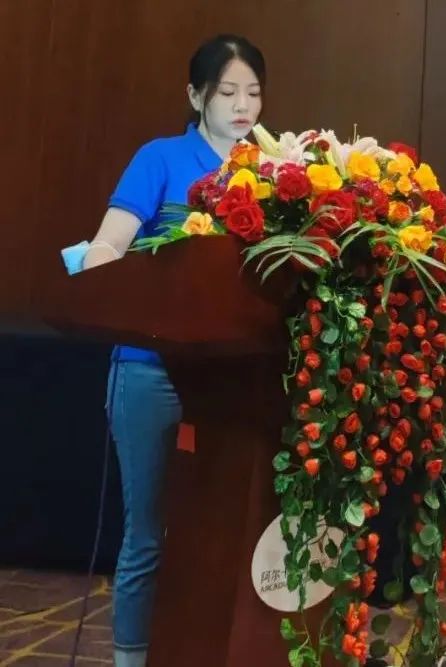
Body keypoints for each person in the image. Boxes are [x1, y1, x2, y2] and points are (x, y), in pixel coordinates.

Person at [82, 34, 266, 667]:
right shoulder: (160, 158)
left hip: (237, 381)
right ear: (195, 96)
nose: (243, 106)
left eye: (253, 93)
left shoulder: (274, 171)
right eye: (227, 92)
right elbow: (108, 246)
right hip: (151, 373)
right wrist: (105, 262)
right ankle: (132, 658)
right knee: (148, 533)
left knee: (223, 531)